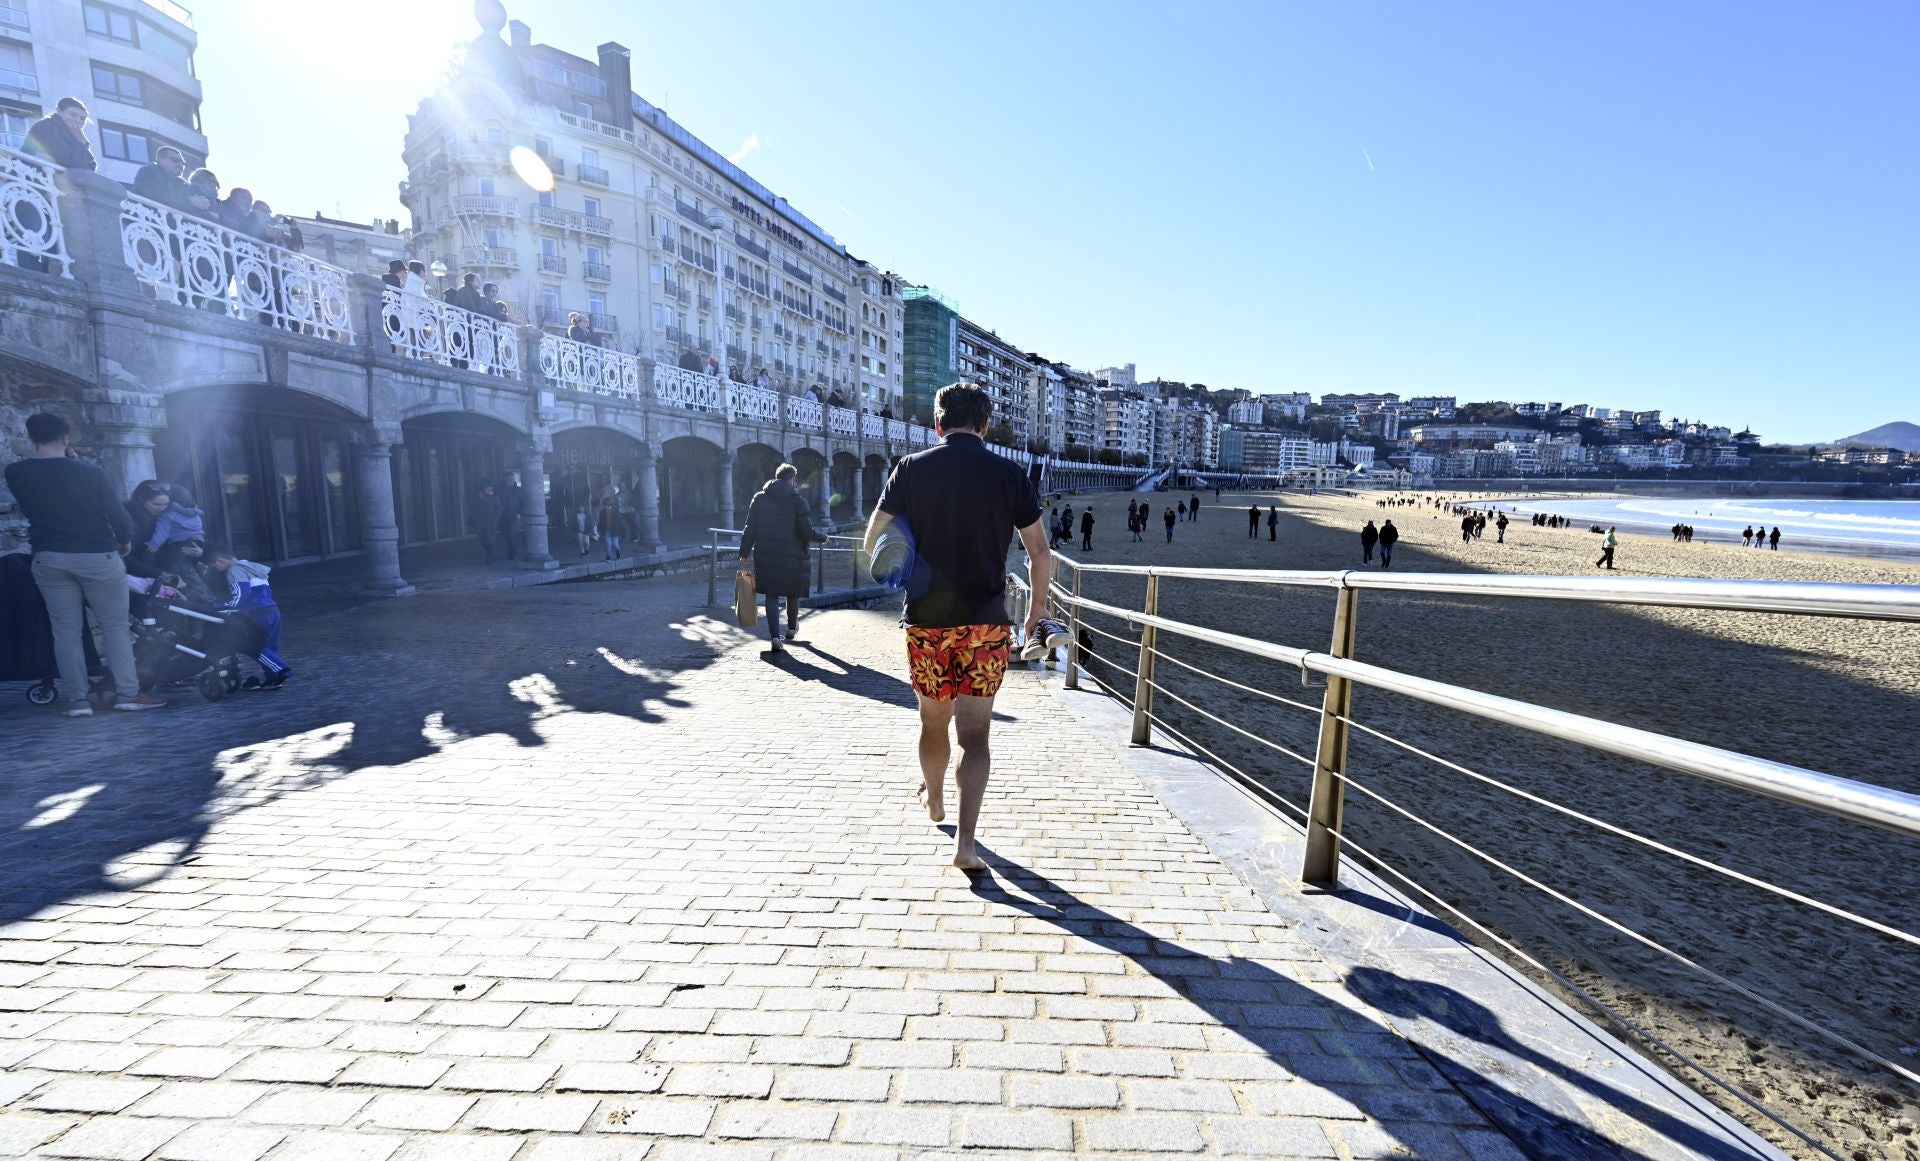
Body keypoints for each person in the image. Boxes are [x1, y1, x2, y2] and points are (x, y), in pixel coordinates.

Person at [863, 382, 1049, 871]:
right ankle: (966, 845)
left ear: (938, 424)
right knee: (975, 736)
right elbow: (1039, 552)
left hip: (926, 622)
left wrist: (911, 537)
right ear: (985, 425)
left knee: (932, 722)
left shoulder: (910, 469)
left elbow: (872, 538)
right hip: (986, 626)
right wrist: (1035, 613)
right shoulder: (1010, 474)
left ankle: (935, 799)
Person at [3, 413, 162, 714]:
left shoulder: (16, 472)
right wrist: (125, 542)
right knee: (115, 628)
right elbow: (119, 518)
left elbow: (47, 487)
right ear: (66, 438)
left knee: (65, 631)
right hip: (97, 556)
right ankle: (128, 695)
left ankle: (78, 700)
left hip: (49, 558)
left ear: (31, 438)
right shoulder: (91, 473)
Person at [738, 463, 826, 652]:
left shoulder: (759, 499)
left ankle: (775, 637)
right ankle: (792, 628)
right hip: (793, 557)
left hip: (766, 557)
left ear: (777, 477)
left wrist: (743, 553)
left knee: (771, 595)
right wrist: (823, 538)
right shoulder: (798, 501)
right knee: (792, 593)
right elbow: (806, 531)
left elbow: (749, 528)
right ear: (792, 479)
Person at [200, 544, 291, 689]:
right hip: (272, 611)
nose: (216, 568)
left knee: (253, 647)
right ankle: (272, 679)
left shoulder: (234, 570)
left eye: (214, 565)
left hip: (256, 614)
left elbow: (242, 595)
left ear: (221, 560)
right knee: (269, 647)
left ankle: (280, 670)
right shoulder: (251, 567)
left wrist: (220, 607)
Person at [23, 98, 96, 172]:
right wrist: (80, 142)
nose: (78, 120)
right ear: (59, 111)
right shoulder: (48, 126)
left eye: (82, 118)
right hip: (34, 175)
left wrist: (82, 141)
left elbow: (92, 167)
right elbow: (68, 162)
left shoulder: (75, 136)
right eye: (73, 115)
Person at [475, 483, 503, 565]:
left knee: (489, 539)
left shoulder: (495, 498)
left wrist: (494, 518)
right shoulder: (479, 497)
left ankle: (489, 556)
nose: (489, 491)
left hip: (490, 522)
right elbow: (475, 508)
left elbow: (499, 509)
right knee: (482, 539)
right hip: (481, 522)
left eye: (490, 489)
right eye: (487, 489)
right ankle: (490, 553)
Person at [597, 486, 623, 560]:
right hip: (607, 530)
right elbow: (600, 521)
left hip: (614, 530)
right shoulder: (602, 512)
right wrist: (599, 529)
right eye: (606, 506)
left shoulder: (616, 512)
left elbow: (620, 522)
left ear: (611, 505)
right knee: (608, 543)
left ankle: (617, 551)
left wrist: (623, 531)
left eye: (609, 506)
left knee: (615, 544)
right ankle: (608, 556)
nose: (607, 507)